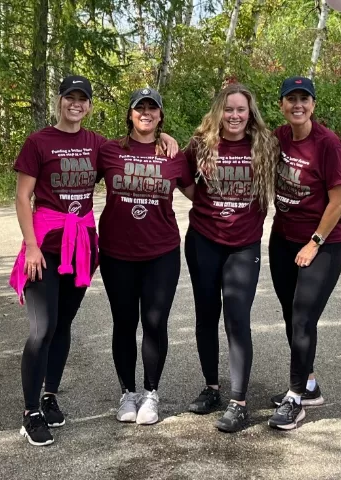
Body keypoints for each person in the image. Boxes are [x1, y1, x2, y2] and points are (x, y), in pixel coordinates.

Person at [10, 75, 104, 446]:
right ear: (59, 100)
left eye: (82, 99)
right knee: (42, 328)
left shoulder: (96, 143)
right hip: (45, 247)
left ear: (90, 106)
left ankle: (50, 396)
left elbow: (132, 151)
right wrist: (31, 245)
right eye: (70, 97)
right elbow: (23, 197)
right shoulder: (39, 142)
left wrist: (163, 137)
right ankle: (30, 412)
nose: (75, 104)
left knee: (63, 322)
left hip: (81, 246)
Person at [184, 83, 279, 433]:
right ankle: (212, 388)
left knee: (237, 319)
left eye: (241, 109)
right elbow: (184, 179)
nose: (234, 115)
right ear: (219, 112)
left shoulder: (266, 144)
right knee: (206, 316)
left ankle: (239, 403)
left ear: (250, 112)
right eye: (228, 109)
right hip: (203, 240)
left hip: (243, 245)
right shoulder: (200, 144)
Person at [97, 88, 195, 426]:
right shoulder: (109, 150)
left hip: (161, 252)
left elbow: (197, 194)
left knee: (155, 323)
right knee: (124, 323)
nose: (146, 112)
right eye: (140, 107)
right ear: (130, 114)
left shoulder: (173, 155)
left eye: (153, 108)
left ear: (160, 115)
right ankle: (128, 393)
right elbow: (75, 181)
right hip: (116, 252)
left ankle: (151, 393)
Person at [266, 76, 341, 430]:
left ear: (313, 105)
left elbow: (339, 200)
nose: (297, 105)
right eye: (291, 99)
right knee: (291, 315)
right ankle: (310, 385)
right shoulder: (278, 137)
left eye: (304, 99)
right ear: (282, 105)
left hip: (322, 244)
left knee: (303, 318)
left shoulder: (328, 144)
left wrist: (314, 243)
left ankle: (295, 398)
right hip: (282, 240)